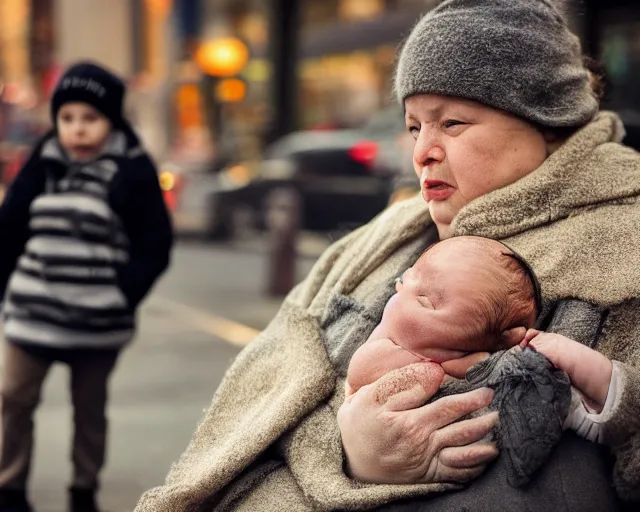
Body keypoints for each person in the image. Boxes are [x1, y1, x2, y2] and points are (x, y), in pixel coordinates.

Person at [135, 0, 640, 510]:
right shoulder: (384, 235)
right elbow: (262, 412)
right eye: (416, 126)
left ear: (548, 121)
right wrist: (351, 454)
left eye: (453, 123)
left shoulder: (626, 241)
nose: (422, 151)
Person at [0, 62, 173, 512]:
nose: (77, 129)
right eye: (68, 118)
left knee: (89, 411)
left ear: (111, 120)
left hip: (98, 322)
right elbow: (9, 229)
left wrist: (124, 293)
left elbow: (155, 242)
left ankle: (83, 490)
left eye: (90, 118)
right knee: (13, 399)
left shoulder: (131, 170)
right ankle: (9, 486)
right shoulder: (42, 162)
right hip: (31, 314)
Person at [345, 235, 540, 395]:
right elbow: (357, 374)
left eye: (425, 302)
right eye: (424, 301)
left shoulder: (475, 369)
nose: (404, 284)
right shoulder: (380, 347)